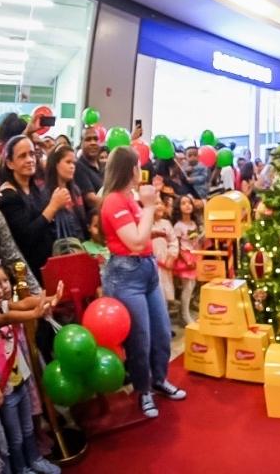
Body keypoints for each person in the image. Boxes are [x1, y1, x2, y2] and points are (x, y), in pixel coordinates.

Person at [100, 146, 186, 418]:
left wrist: (151, 218)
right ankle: (143, 389)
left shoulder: (129, 198)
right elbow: (135, 241)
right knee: (140, 337)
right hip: (126, 274)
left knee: (161, 331)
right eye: (138, 165)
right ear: (129, 169)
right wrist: (149, 206)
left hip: (146, 269)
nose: (143, 171)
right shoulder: (113, 200)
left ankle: (158, 379)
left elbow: (143, 234)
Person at [0, 264, 62, 474]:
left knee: (27, 428)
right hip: (4, 389)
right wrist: (35, 313)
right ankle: (22, 468)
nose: (1, 290)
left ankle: (34, 458)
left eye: (3, 282)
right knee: (14, 437)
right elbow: (6, 319)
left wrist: (50, 298)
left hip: (20, 381)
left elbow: (24, 302)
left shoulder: (4, 305)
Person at [0, 136, 70, 278]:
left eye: (32, 154)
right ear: (10, 163)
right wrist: (53, 206)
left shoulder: (35, 188)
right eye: (22, 156)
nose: (30, 160)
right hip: (26, 273)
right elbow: (26, 237)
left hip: (46, 266)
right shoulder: (9, 196)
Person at [44, 143, 88, 243]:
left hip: (79, 245)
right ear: (56, 164)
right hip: (59, 246)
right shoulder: (46, 193)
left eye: (74, 163)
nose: (72, 166)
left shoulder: (75, 191)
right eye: (68, 162)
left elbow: (81, 223)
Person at [172, 195, 202, 325]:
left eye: (189, 203)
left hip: (194, 255)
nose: (187, 205)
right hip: (185, 257)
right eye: (183, 203)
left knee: (192, 286)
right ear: (178, 207)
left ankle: (183, 313)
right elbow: (176, 244)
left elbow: (195, 241)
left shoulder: (193, 223)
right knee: (187, 287)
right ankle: (185, 315)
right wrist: (186, 259)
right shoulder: (178, 226)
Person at [151, 197, 178, 310]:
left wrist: (171, 256)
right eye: (156, 203)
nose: (160, 206)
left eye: (161, 203)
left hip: (165, 263)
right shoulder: (144, 224)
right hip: (152, 265)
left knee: (166, 294)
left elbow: (173, 241)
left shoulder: (166, 223)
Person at [74, 126, 103, 211]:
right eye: (88, 139)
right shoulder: (78, 166)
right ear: (81, 143)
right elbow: (91, 200)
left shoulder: (103, 166)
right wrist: (116, 204)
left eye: (96, 139)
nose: (93, 142)